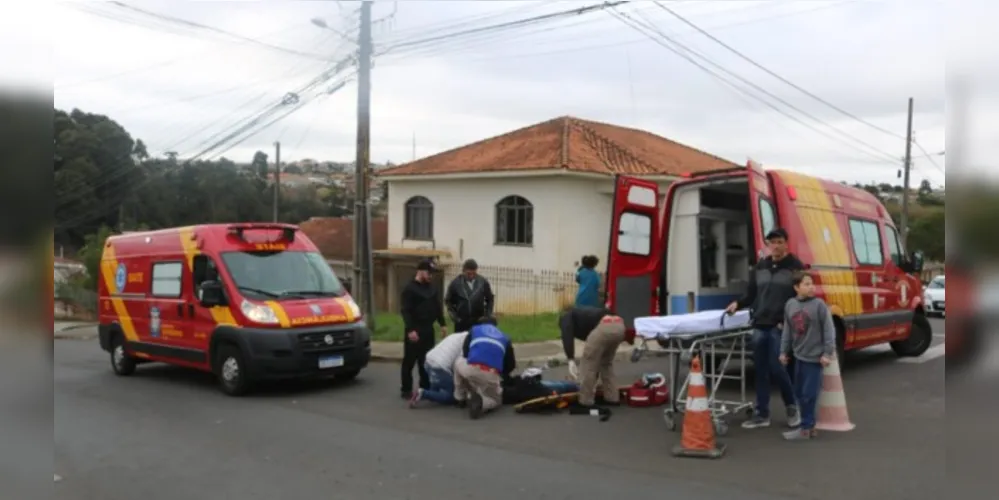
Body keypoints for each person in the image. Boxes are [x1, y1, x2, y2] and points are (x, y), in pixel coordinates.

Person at [725, 227, 804, 429]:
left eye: (779, 242)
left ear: (786, 243)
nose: (775, 246)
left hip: (780, 326)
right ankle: (762, 414)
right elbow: (751, 294)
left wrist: (787, 321)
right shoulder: (760, 267)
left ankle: (792, 407)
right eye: (772, 242)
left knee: (778, 368)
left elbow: (800, 298)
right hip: (760, 324)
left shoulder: (795, 268)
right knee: (761, 370)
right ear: (767, 245)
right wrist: (738, 304)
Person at [779, 271, 835, 441]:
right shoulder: (790, 304)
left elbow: (829, 330)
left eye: (812, 284)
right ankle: (809, 425)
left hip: (814, 358)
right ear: (796, 287)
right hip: (798, 356)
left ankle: (806, 427)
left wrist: (827, 353)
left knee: (809, 394)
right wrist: (783, 351)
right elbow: (787, 331)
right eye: (807, 284)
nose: (811, 287)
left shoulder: (819, 305)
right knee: (798, 393)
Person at [558, 305, 626, 408]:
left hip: (604, 326)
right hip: (619, 324)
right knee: (606, 364)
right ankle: (612, 398)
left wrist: (570, 359)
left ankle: (585, 401)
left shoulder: (566, 317)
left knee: (588, 364)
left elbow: (567, 335)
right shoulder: (583, 314)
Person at [399, 259, 447, 399]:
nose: (431, 276)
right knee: (409, 361)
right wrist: (410, 330)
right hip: (415, 329)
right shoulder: (410, 289)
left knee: (426, 361)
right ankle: (406, 389)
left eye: (432, 273)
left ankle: (424, 387)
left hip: (428, 329)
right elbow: (406, 311)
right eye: (428, 272)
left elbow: (437, 307)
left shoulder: (431, 288)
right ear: (420, 271)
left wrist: (442, 324)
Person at [453, 317, 516, 419]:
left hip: (470, 369)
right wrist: (500, 376)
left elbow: (465, 353)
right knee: (497, 400)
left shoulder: (473, 331)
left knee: (458, 361)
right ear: (495, 326)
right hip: (490, 374)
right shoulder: (505, 338)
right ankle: (482, 402)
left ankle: (459, 397)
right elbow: (511, 365)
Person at [408, 329, 468, 408]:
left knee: (437, 387)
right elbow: (459, 364)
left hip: (429, 360)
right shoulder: (466, 343)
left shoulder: (457, 335)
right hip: (440, 366)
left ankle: (432, 392)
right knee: (453, 397)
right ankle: (423, 393)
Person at [444, 259, 494, 334]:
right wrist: (456, 318)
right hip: (461, 323)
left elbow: (490, 299)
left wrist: (487, 316)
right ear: (463, 271)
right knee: (461, 344)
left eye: (474, 273)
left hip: (478, 322)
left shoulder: (483, 282)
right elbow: (448, 301)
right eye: (468, 273)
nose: (471, 276)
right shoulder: (455, 283)